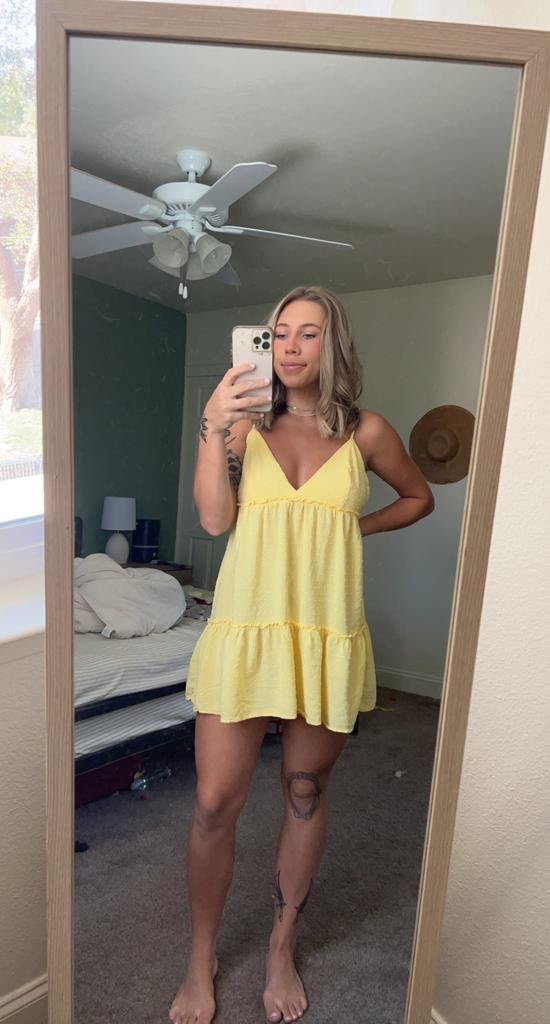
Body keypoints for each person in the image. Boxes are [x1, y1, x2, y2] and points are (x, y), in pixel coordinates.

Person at [169, 285, 434, 1024]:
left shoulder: (368, 432)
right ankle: (200, 959)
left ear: (333, 344)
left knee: (305, 791)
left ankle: (282, 948)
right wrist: (214, 421)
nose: (288, 346)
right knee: (213, 804)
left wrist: (353, 528)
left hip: (324, 637)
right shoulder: (242, 427)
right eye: (278, 332)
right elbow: (214, 520)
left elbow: (419, 497)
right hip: (245, 633)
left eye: (307, 333)